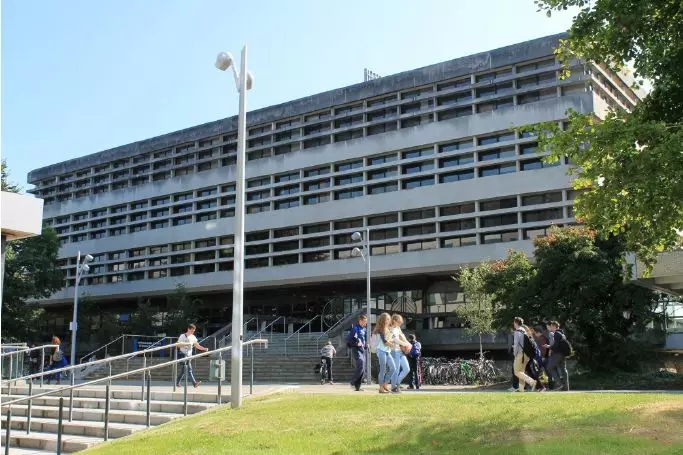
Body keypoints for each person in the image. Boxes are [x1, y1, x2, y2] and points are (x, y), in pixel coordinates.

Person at [176, 323, 209, 389]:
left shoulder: (193, 337)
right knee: (189, 369)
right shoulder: (182, 336)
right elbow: (177, 345)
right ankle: (194, 383)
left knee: (183, 371)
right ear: (188, 329)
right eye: (191, 330)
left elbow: (197, 345)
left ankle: (177, 383)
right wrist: (185, 344)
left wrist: (204, 349)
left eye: (193, 331)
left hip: (189, 356)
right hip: (183, 355)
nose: (192, 332)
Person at [371, 312, 396, 394]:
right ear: (383, 320)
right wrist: (393, 345)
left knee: (393, 368)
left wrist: (393, 342)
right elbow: (385, 342)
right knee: (383, 370)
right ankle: (381, 388)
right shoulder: (380, 329)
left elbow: (392, 339)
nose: (388, 321)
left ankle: (385, 383)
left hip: (387, 351)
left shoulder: (388, 329)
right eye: (387, 319)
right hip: (381, 351)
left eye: (389, 319)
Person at [544, 320, 571, 391]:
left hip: (558, 354)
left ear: (554, 326)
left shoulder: (556, 333)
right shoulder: (562, 333)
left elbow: (555, 345)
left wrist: (549, 346)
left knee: (549, 367)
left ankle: (559, 384)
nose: (550, 327)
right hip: (563, 354)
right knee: (563, 370)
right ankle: (566, 387)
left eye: (551, 326)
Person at [512, 317, 537, 393]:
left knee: (516, 372)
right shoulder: (524, 331)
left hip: (520, 354)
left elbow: (516, 345)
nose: (513, 324)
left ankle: (532, 382)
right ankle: (521, 389)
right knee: (521, 371)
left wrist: (514, 354)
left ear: (516, 323)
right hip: (526, 355)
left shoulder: (517, 332)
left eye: (514, 322)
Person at [389, 314, 411, 393]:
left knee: (407, 369)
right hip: (394, 351)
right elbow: (395, 340)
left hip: (400, 351)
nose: (400, 324)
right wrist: (406, 344)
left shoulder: (398, 328)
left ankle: (397, 383)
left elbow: (403, 337)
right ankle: (394, 387)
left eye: (400, 322)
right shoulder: (390, 329)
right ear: (394, 321)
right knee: (396, 370)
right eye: (399, 322)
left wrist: (409, 344)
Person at [347, 314, 368, 391]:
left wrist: (366, 345)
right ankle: (353, 382)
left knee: (362, 369)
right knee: (361, 365)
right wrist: (356, 343)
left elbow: (364, 339)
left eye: (366, 322)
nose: (365, 323)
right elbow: (349, 340)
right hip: (356, 349)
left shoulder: (364, 329)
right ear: (360, 321)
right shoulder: (355, 328)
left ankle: (357, 387)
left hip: (362, 350)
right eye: (364, 321)